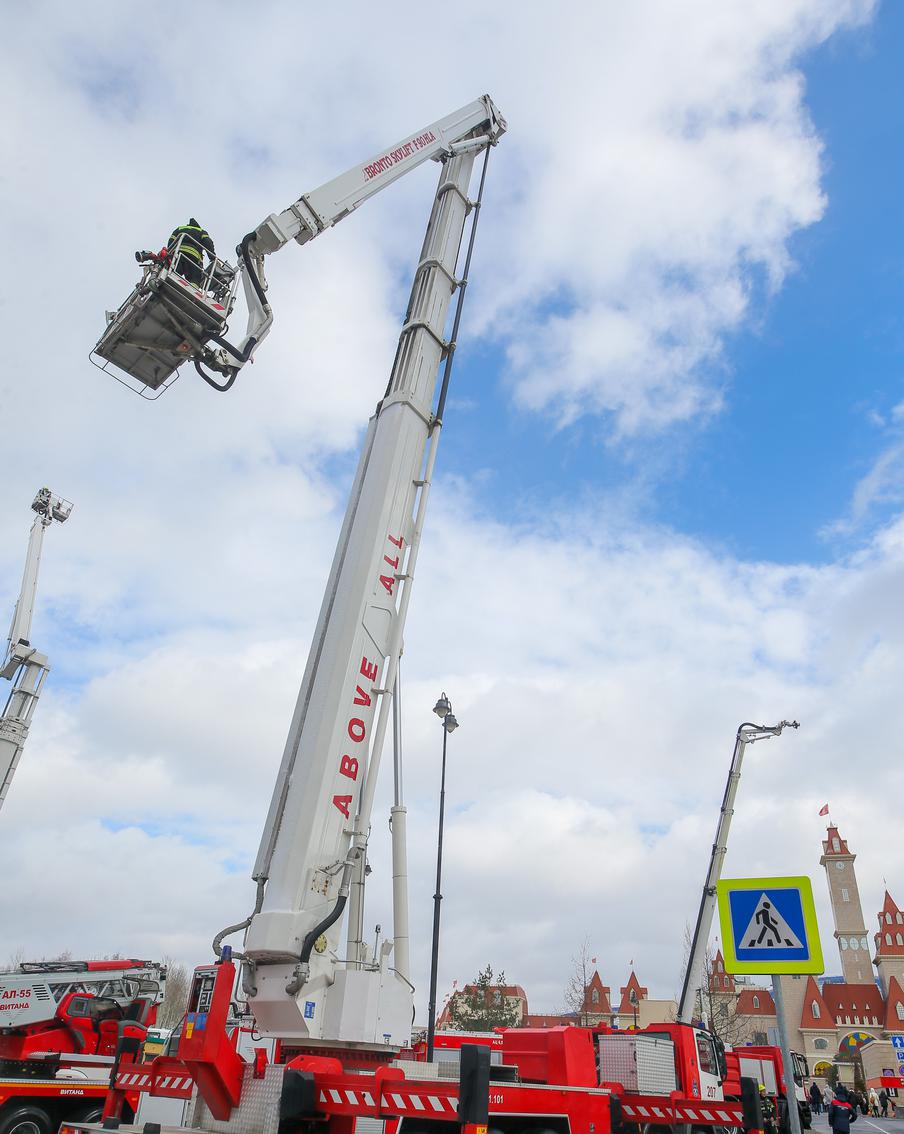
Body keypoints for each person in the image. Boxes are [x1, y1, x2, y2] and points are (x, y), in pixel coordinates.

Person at [168, 218, 215, 288]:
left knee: (174, 271)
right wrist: (212, 258)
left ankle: (169, 282)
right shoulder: (201, 231)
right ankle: (192, 290)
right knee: (195, 278)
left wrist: (170, 254)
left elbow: (171, 241)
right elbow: (208, 243)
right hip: (193, 257)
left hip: (177, 254)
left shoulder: (180, 228)